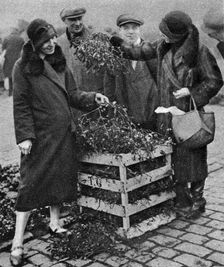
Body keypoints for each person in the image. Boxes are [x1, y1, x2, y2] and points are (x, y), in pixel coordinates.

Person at [10, 18, 108, 266]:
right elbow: (20, 105)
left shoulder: (59, 63)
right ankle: (17, 243)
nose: (52, 44)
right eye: (45, 41)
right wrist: (24, 137)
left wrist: (92, 97)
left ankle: (55, 223)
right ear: (34, 43)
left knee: (59, 179)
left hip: (64, 134)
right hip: (39, 139)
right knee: (29, 187)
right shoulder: (22, 68)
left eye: (54, 38)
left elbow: (73, 94)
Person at [111, 11, 223, 218]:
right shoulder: (162, 46)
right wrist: (118, 43)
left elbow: (214, 81)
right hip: (166, 115)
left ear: (179, 35)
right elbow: (140, 52)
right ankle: (181, 201)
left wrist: (192, 92)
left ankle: (197, 201)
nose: (163, 36)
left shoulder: (199, 52)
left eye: (167, 33)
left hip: (188, 115)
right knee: (173, 160)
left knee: (194, 160)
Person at [104, 14, 158, 130]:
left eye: (134, 28)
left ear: (139, 30)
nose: (130, 32)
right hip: (125, 121)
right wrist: (112, 118)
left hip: (151, 119)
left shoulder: (150, 51)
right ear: (120, 31)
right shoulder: (113, 55)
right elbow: (109, 88)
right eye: (126, 28)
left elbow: (161, 84)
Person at [57, 7, 104, 93]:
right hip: (72, 99)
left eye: (79, 18)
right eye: (72, 20)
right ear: (64, 20)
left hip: (97, 97)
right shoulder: (59, 44)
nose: (77, 23)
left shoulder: (96, 38)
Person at [2, 27, 24, 96]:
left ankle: (10, 92)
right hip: (18, 59)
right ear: (16, 32)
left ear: (11, 32)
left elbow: (3, 50)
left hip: (8, 60)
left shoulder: (6, 38)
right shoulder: (21, 39)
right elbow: (23, 48)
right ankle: (17, 92)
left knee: (10, 76)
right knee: (17, 75)